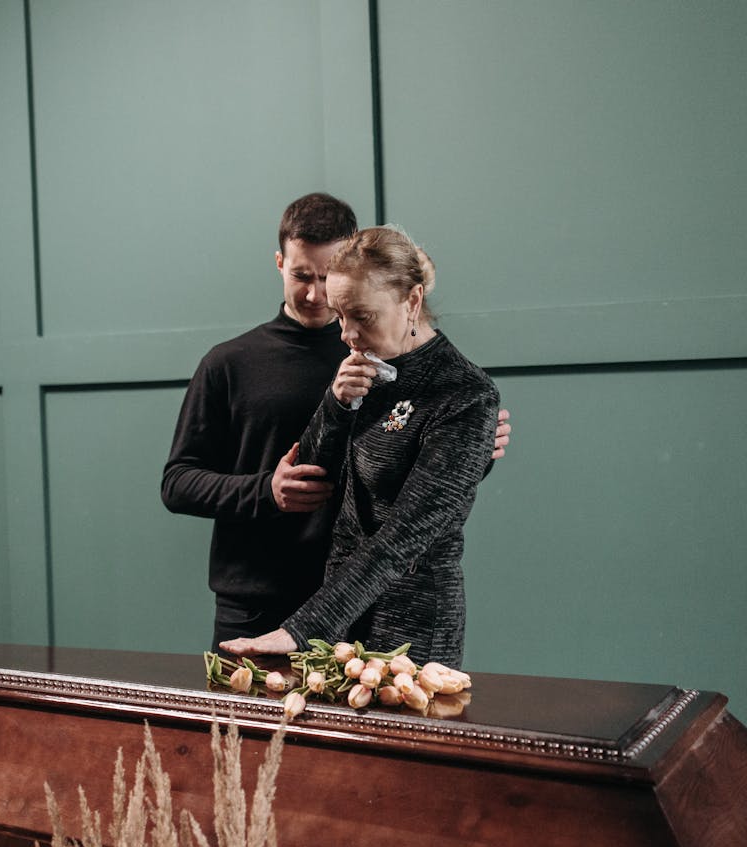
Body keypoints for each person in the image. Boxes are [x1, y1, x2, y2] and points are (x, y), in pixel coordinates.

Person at [162, 194, 509, 654]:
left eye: (330, 282)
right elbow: (180, 481)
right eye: (302, 276)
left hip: (372, 610)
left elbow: (403, 506)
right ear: (280, 262)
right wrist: (267, 488)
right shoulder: (237, 362)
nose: (317, 297)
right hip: (265, 596)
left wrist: (468, 455)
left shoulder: (401, 363)